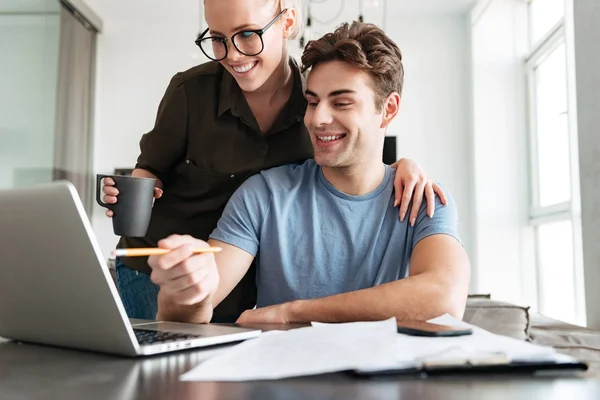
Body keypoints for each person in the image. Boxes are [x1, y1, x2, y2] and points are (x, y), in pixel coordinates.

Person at [102, 0, 447, 322]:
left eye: (248, 35)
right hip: (163, 261)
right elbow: (151, 167)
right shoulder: (192, 94)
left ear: (287, 22)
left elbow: (356, 149)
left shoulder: (311, 102)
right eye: (218, 39)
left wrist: (402, 165)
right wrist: (137, 194)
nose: (232, 54)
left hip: (237, 270)